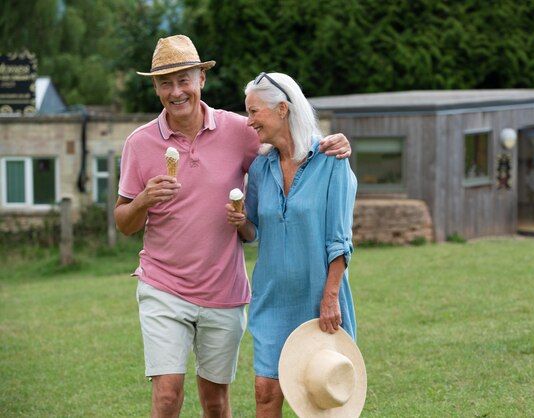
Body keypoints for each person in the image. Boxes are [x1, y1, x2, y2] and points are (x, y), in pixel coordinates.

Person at [114, 35, 351, 418]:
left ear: (201, 80)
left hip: (223, 291)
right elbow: (123, 222)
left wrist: (335, 143)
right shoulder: (138, 144)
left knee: (216, 403)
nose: (176, 92)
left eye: (184, 79)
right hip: (163, 285)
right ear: (155, 87)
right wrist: (142, 200)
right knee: (167, 396)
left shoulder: (240, 130)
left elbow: (288, 138)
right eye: (165, 83)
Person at [226, 72, 358, 417]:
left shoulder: (332, 160)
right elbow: (254, 232)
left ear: (282, 109)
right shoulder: (258, 168)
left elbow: (340, 239)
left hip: (319, 299)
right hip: (272, 300)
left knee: (318, 399)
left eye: (254, 112)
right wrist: (241, 223)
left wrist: (330, 297)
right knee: (265, 392)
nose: (249, 120)